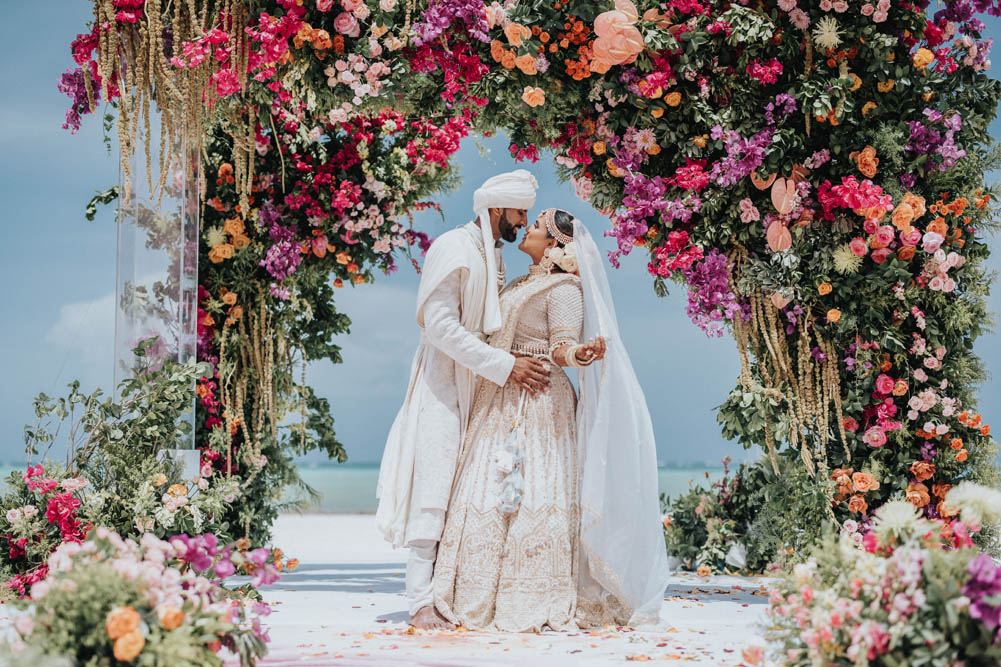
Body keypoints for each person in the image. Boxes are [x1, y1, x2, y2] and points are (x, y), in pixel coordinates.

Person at [432, 208, 671, 632]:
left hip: (537, 401)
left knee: (530, 494)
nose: (528, 228)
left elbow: (562, 345)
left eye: (537, 226)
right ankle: (476, 593)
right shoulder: (524, 282)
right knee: (491, 493)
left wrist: (579, 355)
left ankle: (530, 593)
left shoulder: (564, 288)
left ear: (557, 246)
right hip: (503, 396)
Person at [375, 170, 552, 630]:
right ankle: (419, 600)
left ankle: (449, 591)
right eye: (520, 213)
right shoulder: (454, 248)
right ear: (496, 210)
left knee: (464, 490)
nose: (523, 222)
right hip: (443, 382)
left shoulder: (492, 256)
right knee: (433, 485)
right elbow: (439, 327)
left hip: (481, 386)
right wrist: (504, 365)